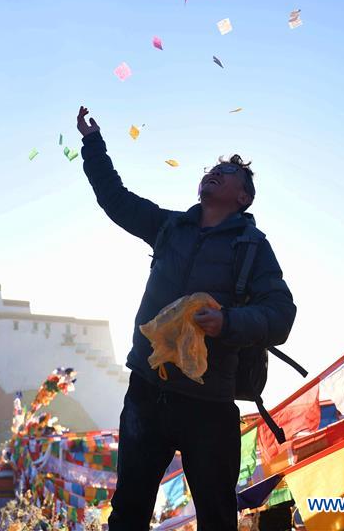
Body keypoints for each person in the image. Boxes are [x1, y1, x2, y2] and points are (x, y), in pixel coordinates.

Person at [77, 106, 297, 531]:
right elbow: (115, 198)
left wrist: (227, 321)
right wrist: (92, 144)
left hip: (209, 403)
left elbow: (280, 314)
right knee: (127, 515)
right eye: (212, 167)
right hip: (147, 391)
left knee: (216, 518)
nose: (214, 171)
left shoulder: (252, 248)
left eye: (227, 170)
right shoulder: (169, 228)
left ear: (244, 197)